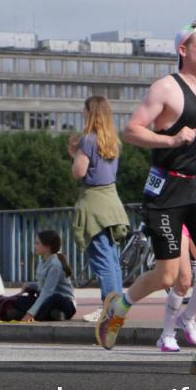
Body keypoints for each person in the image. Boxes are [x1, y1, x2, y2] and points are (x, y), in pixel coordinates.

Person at [95, 21, 196, 375]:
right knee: (169, 275)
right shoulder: (166, 89)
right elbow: (132, 130)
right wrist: (171, 140)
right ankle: (119, 308)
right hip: (167, 190)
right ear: (183, 50)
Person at [69, 95, 129, 322]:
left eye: (84, 110)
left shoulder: (88, 140)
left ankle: (109, 310)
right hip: (112, 203)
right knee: (112, 260)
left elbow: (79, 172)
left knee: (102, 261)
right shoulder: (114, 141)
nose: (82, 114)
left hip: (94, 204)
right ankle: (115, 307)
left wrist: (74, 155)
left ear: (90, 113)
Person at [21, 230, 76, 322]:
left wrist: (29, 314)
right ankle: (53, 314)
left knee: (54, 299)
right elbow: (42, 285)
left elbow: (47, 291)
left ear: (47, 246)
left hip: (65, 304)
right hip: (48, 299)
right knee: (21, 301)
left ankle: (51, 314)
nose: (35, 246)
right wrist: (30, 285)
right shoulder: (42, 263)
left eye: (37, 243)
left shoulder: (55, 265)